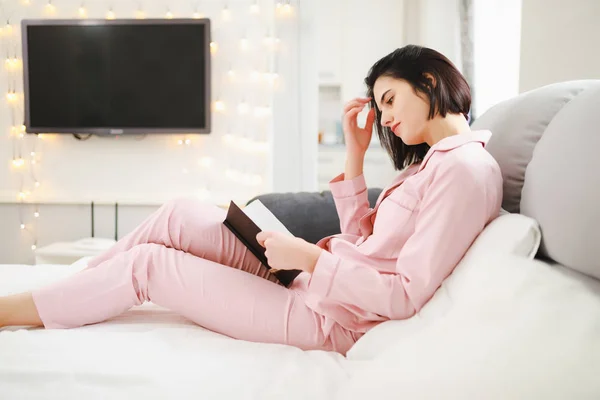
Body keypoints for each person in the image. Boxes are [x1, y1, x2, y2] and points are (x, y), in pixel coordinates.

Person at [0, 45, 502, 356]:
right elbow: (363, 241)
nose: (385, 116)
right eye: (379, 105)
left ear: (429, 82)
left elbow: (404, 295)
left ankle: (15, 309)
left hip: (332, 319)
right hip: (314, 279)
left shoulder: (464, 170)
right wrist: (355, 155)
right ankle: (74, 290)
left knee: (149, 266)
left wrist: (308, 256)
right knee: (178, 212)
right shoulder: (433, 162)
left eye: (389, 100)